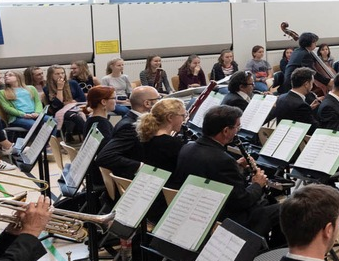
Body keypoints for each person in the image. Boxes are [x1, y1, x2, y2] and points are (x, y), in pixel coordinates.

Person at [172, 105, 280, 241]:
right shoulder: (222, 160)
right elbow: (242, 201)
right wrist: (257, 184)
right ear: (226, 131)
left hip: (199, 210)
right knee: (286, 209)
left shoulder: (187, 148)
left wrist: (237, 167)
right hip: (226, 218)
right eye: (237, 128)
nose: (237, 132)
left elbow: (213, 176)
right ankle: (270, 250)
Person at [95, 86, 159, 180]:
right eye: (158, 99)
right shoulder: (130, 126)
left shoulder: (131, 119)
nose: (159, 103)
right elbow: (105, 157)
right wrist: (141, 166)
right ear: (147, 103)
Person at [136, 99, 187, 174]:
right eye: (183, 115)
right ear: (170, 117)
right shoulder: (172, 144)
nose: (184, 119)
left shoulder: (146, 135)